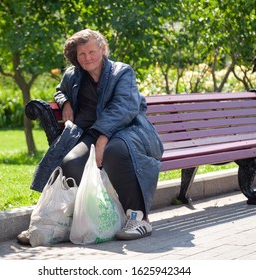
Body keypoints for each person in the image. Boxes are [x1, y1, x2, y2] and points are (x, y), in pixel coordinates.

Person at [17, 29, 163, 245]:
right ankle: (57, 222)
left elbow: (123, 107)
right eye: (81, 54)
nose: (87, 58)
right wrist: (65, 101)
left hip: (127, 131)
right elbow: (60, 90)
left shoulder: (122, 72)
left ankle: (138, 218)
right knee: (71, 163)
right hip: (90, 133)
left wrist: (102, 138)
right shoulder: (73, 75)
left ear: (102, 49)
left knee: (116, 153)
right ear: (75, 57)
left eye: (92, 52)